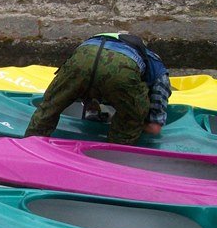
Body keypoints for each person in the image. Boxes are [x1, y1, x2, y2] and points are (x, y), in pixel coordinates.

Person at [24, 32, 172, 145]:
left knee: (49, 109)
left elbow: (91, 77)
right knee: (129, 122)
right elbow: (154, 128)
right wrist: (137, 120)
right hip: (121, 67)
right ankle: (114, 157)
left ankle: (30, 145)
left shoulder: (107, 41)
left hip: (84, 54)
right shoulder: (158, 70)